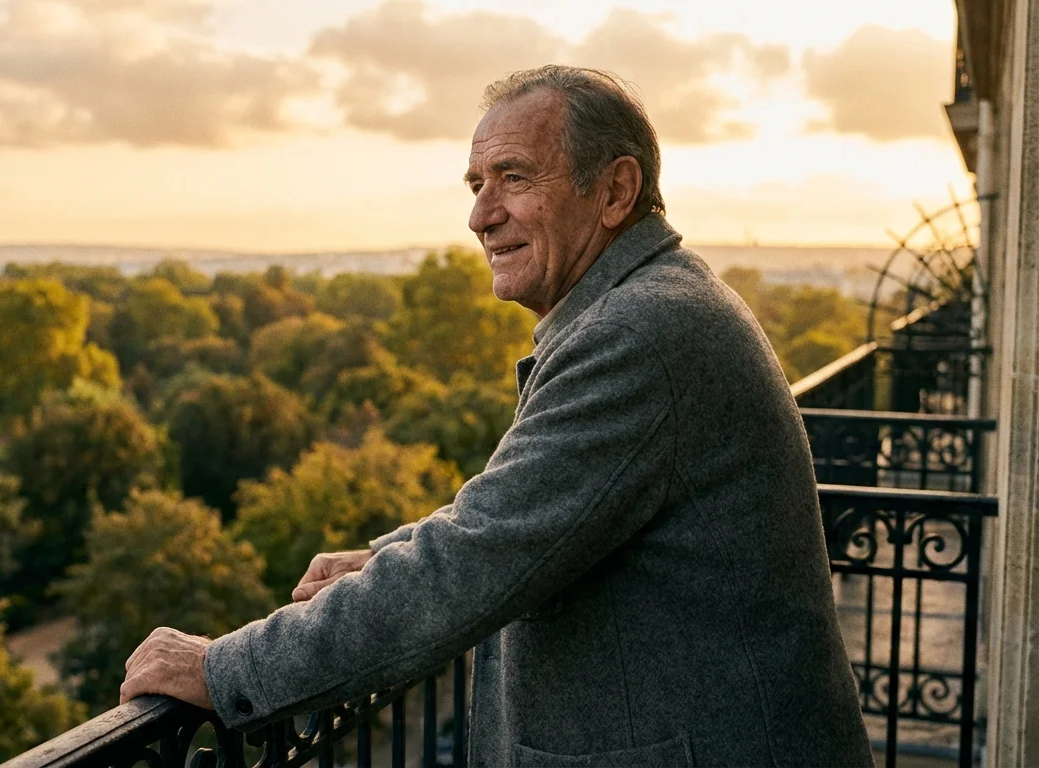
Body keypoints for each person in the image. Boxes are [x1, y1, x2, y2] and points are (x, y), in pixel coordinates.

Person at [120, 65, 873, 767]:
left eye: (514, 177)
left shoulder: (640, 332)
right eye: (478, 183)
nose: (481, 216)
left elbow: (477, 558)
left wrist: (226, 668)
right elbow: (533, 513)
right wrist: (387, 555)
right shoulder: (649, 305)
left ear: (614, 192)